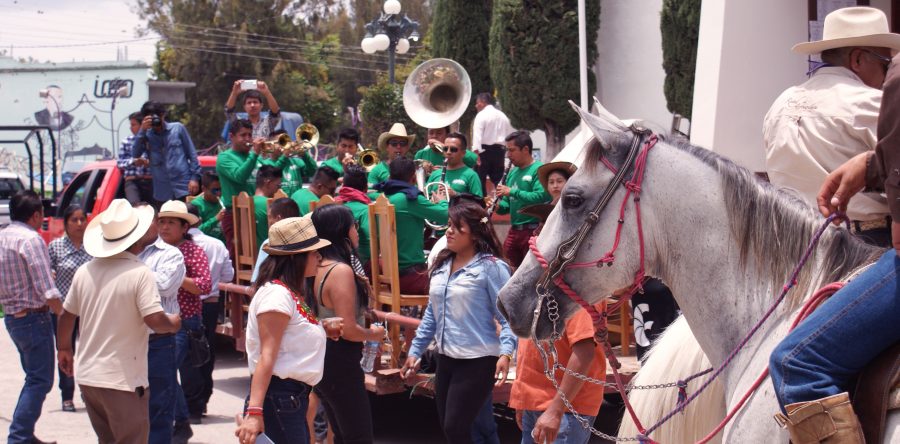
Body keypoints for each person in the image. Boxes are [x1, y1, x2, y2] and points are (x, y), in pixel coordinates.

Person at [768, 52, 900, 444]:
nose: (885, 69)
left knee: (796, 365)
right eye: (883, 60)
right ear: (859, 59)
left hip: (815, 246)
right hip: (869, 236)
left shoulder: (778, 107)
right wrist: (874, 165)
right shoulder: (865, 100)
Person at [764, 6, 900, 247]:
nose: (886, 75)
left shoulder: (780, 103)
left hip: (792, 247)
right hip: (866, 245)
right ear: (857, 59)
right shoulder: (870, 102)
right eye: (886, 64)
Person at [56, 199, 181, 444]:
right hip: (121, 380)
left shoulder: (86, 270)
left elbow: (67, 315)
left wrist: (64, 348)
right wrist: (174, 323)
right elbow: (155, 320)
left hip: (90, 377)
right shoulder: (139, 272)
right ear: (136, 240)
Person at [402, 202, 516, 444]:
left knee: (456, 427)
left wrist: (506, 353)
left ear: (475, 233)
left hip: (479, 360)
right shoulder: (442, 265)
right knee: (449, 427)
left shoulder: (492, 267)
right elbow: (432, 314)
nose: (449, 231)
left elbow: (507, 316)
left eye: (457, 227)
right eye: (449, 226)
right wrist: (416, 350)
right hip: (446, 358)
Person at [234, 216, 339, 444]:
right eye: (313, 252)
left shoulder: (288, 293)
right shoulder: (277, 295)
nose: (319, 257)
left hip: (288, 399)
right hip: (280, 397)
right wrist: (254, 412)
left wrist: (322, 329)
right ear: (295, 257)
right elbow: (267, 356)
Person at [310, 204, 385, 444]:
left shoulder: (319, 266)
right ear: (341, 230)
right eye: (354, 225)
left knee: (343, 434)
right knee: (358, 436)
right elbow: (349, 329)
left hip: (326, 358)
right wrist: (373, 334)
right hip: (340, 360)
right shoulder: (340, 270)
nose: (357, 231)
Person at [0, 190, 64, 444]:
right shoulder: (31, 240)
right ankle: (20, 435)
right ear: (37, 215)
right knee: (40, 380)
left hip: (13, 318)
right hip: (34, 317)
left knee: (33, 377)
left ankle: (24, 434)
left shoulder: (3, 236)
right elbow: (47, 288)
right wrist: (66, 314)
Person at [157, 200, 212, 439]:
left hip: (184, 321)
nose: (165, 227)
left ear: (184, 228)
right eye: (162, 222)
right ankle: (181, 419)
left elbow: (204, 285)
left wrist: (176, 277)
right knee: (165, 372)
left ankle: (182, 419)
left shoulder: (192, 251)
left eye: (171, 222)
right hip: (158, 319)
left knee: (169, 372)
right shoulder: (154, 250)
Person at [135, 202, 187, 444]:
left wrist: (127, 273)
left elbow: (164, 286)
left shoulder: (170, 254)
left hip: (157, 341)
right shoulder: (119, 253)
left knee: (158, 409)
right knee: (128, 410)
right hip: (126, 341)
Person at [372, 157, 449, 294]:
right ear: (413, 178)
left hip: (390, 275)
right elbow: (445, 214)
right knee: (453, 284)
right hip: (411, 276)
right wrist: (442, 201)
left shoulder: (383, 198)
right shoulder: (410, 199)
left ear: (390, 176)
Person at [185, 203, 234, 419]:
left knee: (187, 354)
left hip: (185, 305)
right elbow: (228, 277)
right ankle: (202, 399)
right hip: (210, 305)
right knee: (206, 351)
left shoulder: (177, 246)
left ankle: (192, 402)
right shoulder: (216, 244)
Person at [47, 204, 92, 413]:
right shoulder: (56, 247)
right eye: (74, 220)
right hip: (64, 311)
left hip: (90, 309)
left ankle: (91, 393)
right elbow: (47, 275)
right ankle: (67, 396)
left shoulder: (94, 247)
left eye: (83, 219)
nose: (79, 224)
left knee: (91, 351)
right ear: (65, 224)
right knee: (65, 351)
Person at [494, 131, 551, 268]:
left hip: (533, 230)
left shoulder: (539, 169)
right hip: (514, 230)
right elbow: (506, 206)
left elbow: (541, 197)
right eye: (507, 150)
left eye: (512, 150)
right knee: (506, 266)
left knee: (530, 270)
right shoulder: (512, 172)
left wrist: (512, 191)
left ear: (525, 149)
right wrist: (496, 206)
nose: (508, 155)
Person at [133, 101, 202, 203]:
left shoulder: (178, 129)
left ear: (163, 114)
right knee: (166, 218)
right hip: (162, 191)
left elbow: (192, 155)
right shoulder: (146, 135)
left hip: (184, 187)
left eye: (157, 116)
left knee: (187, 217)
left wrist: (194, 178)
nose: (155, 121)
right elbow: (135, 154)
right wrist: (142, 130)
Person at [218, 119, 263, 257]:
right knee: (238, 257)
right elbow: (239, 176)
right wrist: (255, 154)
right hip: (235, 214)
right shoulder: (224, 158)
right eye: (243, 135)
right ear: (231, 136)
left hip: (255, 212)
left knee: (256, 254)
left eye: (250, 135)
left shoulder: (254, 158)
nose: (248, 139)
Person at [472, 93, 514, 193]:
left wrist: (476, 153)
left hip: (484, 152)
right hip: (500, 151)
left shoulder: (481, 115)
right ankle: (501, 202)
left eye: (477, 103)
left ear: (482, 102)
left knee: (479, 180)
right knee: (499, 180)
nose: (476, 105)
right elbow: (509, 135)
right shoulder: (503, 116)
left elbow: (477, 135)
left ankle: (481, 204)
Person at [251, 198, 301, 282]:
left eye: (269, 217)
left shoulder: (269, 243)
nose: (269, 221)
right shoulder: (306, 242)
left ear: (278, 219)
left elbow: (257, 280)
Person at [334, 164, 373, 266]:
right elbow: (371, 244)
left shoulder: (331, 205)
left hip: (333, 261)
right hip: (361, 265)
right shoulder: (365, 210)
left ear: (343, 186)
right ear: (366, 188)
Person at [258, 129, 317, 197]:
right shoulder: (265, 164)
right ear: (271, 145)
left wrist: (305, 155)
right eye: (281, 142)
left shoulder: (296, 162)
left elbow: (313, 172)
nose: (285, 145)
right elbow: (273, 174)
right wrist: (285, 156)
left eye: (286, 142)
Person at [426, 132, 483, 198]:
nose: (448, 152)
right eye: (445, 149)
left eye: (453, 149)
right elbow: (425, 198)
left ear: (463, 153)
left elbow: (479, 202)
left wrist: (456, 195)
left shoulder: (471, 175)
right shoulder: (435, 174)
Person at [117, 112, 154, 205]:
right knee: (135, 207)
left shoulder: (153, 139)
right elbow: (120, 163)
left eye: (133, 125)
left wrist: (149, 162)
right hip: (132, 181)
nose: (131, 128)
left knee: (153, 208)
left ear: (143, 125)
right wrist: (133, 161)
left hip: (151, 180)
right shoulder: (126, 141)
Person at [367, 123, 416, 187]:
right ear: (387, 147)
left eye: (402, 143)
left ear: (407, 147)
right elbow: (370, 192)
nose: (398, 147)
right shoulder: (376, 170)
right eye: (394, 143)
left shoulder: (413, 169)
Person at [191, 172, 227, 243]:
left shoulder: (224, 201)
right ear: (203, 189)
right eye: (215, 190)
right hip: (205, 245)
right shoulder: (196, 205)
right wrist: (216, 219)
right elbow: (196, 232)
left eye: (221, 189)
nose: (219, 193)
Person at [254, 165, 284, 249]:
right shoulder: (270, 204)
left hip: (252, 253)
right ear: (268, 183)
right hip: (268, 254)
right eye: (278, 186)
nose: (278, 190)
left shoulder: (246, 203)